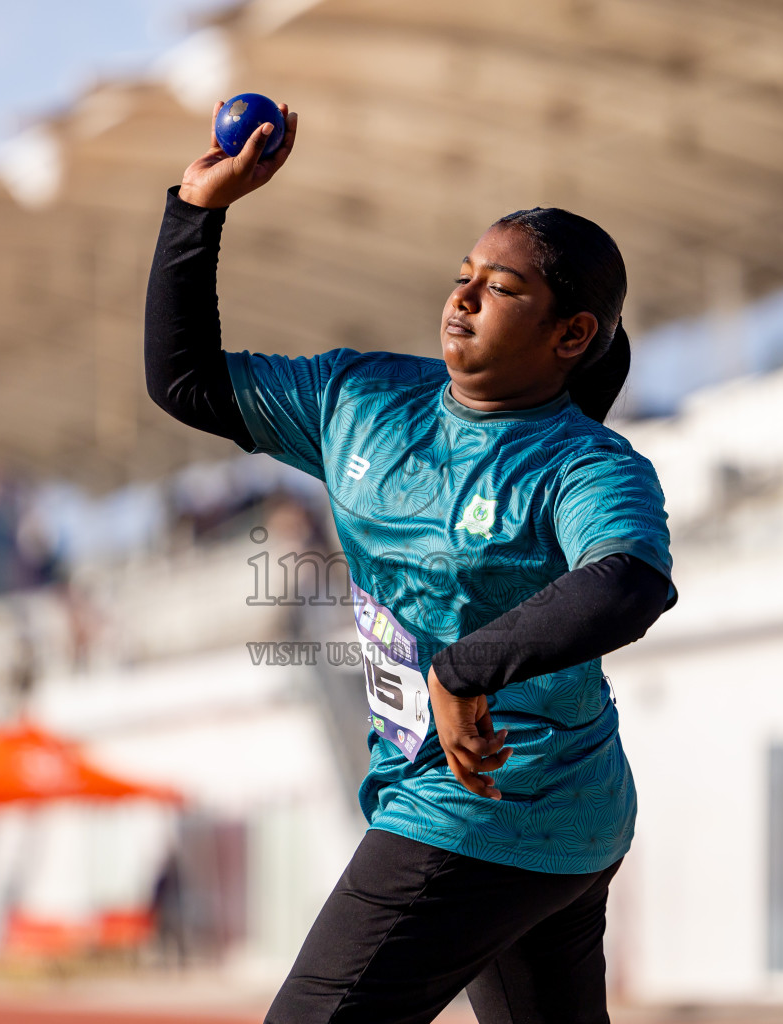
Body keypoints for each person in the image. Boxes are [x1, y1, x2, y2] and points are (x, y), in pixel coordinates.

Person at [144, 104, 676, 1024]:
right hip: (537, 816)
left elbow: (629, 578)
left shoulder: (585, 464)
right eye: (463, 276)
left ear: (573, 336)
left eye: (501, 288)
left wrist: (462, 669)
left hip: (490, 802)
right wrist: (197, 211)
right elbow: (185, 380)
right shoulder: (360, 398)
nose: (462, 297)